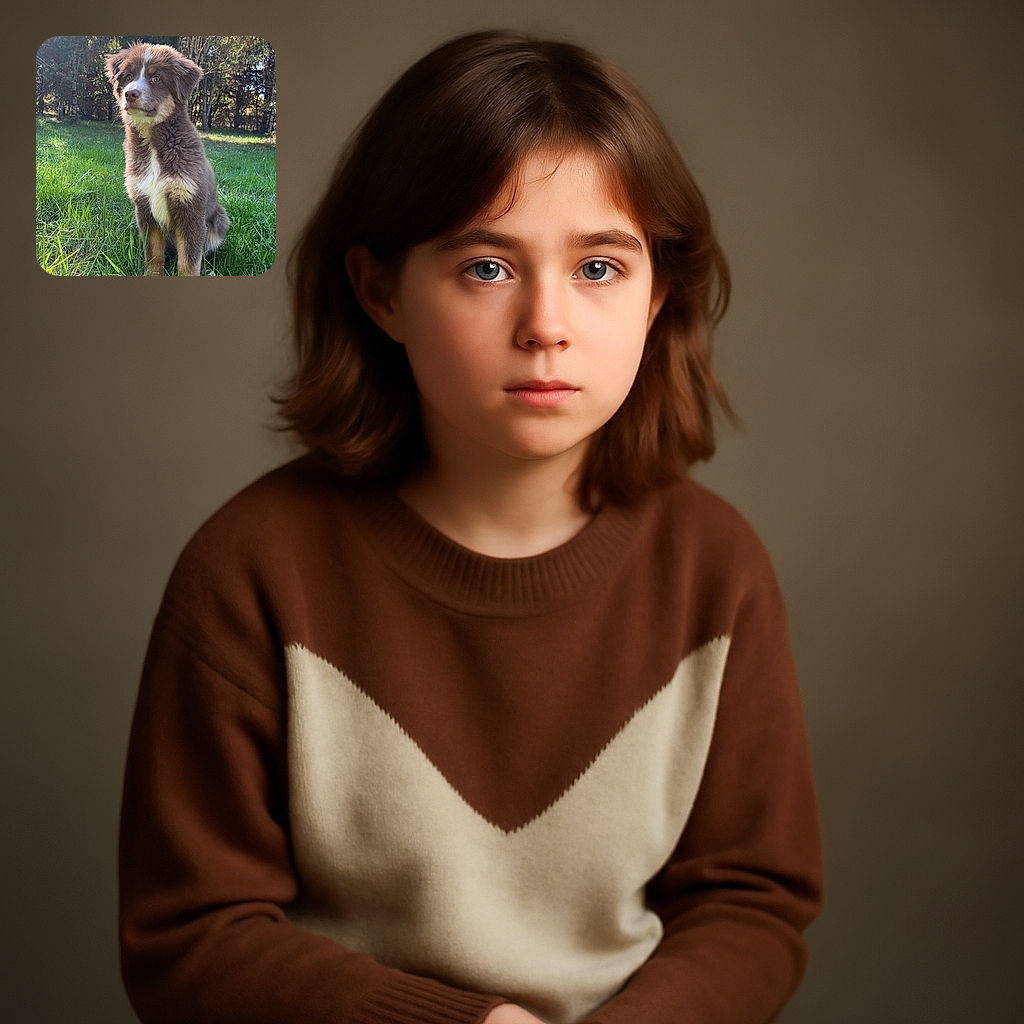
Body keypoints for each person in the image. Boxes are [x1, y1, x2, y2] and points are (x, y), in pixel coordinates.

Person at [119, 29, 823, 1024]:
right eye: (487, 267)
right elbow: (189, 939)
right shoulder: (250, 570)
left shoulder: (716, 570)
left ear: (658, 290)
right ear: (380, 291)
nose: (547, 322)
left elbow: (749, 903)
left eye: (599, 267)